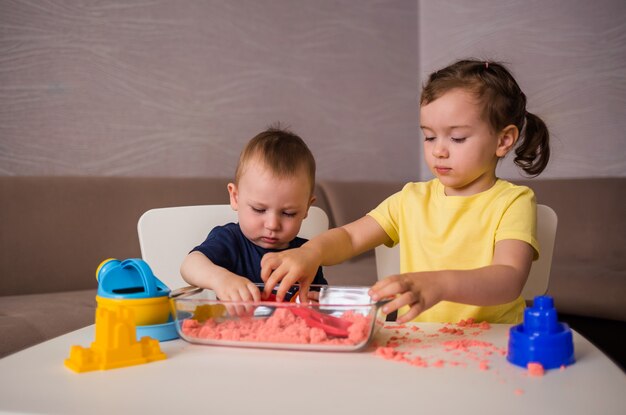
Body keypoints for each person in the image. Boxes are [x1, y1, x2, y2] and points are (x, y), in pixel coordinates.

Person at [260, 59, 550, 324]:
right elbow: (349, 237)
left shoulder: (513, 202)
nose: (439, 150)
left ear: (504, 140)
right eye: (429, 136)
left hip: (495, 342)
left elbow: (509, 278)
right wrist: (311, 252)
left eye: (458, 138)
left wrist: (438, 284)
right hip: (423, 343)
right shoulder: (410, 200)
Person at [180, 126, 327, 303]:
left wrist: (319, 304)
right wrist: (221, 279)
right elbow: (189, 265)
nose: (272, 224)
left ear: (306, 208)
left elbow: (321, 299)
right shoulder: (229, 240)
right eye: (259, 209)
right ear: (235, 197)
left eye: (288, 213)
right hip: (235, 327)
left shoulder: (305, 255)